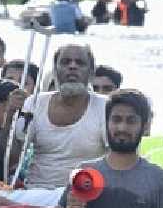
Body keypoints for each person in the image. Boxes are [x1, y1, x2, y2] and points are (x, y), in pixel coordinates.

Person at [10, 43, 107, 188]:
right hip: (37, 193)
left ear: (91, 73)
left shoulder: (105, 107)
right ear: (55, 71)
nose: (72, 67)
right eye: (65, 62)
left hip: (86, 194)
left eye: (80, 63)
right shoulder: (34, 103)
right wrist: (11, 115)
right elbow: (12, 159)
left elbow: (116, 161)